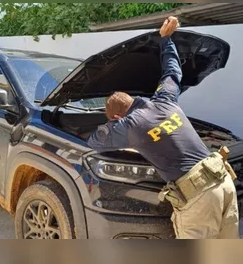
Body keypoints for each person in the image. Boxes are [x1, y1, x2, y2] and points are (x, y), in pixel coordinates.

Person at [87, 16, 239, 239]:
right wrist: (166, 40)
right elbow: (173, 73)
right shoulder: (165, 99)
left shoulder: (129, 125)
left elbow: (94, 141)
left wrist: (112, 125)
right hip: (223, 180)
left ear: (118, 116)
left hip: (198, 197)